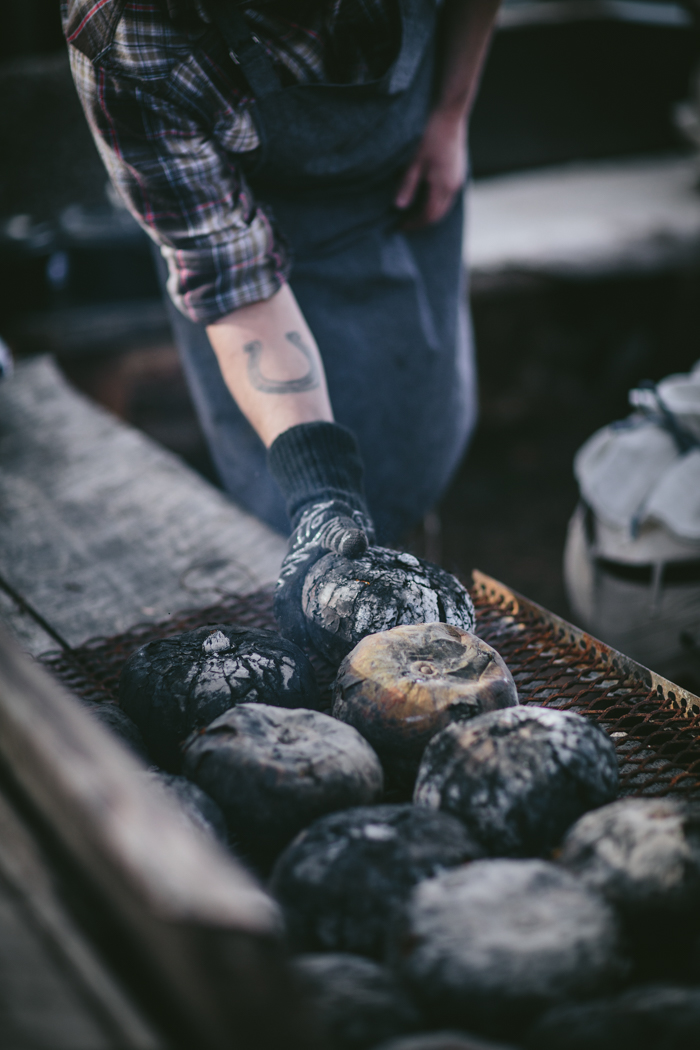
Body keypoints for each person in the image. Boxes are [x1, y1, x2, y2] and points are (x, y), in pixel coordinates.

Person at [62, 0, 499, 647]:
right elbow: (236, 283)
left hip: (406, 183)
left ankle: (417, 596)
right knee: (288, 513)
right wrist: (320, 493)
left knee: (412, 437)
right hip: (252, 242)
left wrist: (450, 114)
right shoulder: (124, 33)